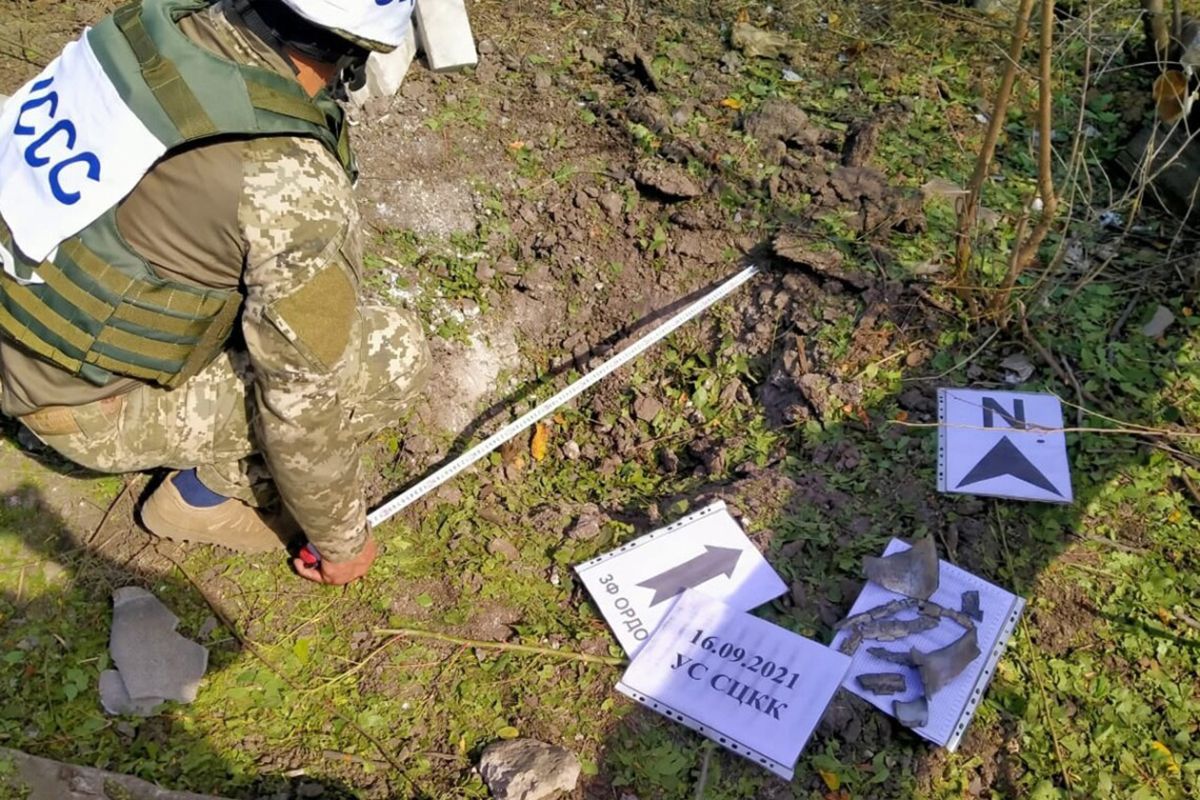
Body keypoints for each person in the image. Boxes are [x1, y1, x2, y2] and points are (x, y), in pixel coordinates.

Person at [0, 0, 430, 585]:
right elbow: (300, 403)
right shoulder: (288, 181)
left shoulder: (151, 25)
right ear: (352, 52)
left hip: (20, 317)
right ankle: (200, 497)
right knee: (392, 356)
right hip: (70, 407)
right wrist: (342, 540)